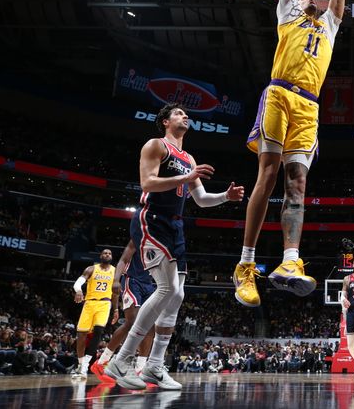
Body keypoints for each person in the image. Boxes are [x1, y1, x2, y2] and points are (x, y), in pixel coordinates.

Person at [234, 0, 351, 307]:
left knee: (297, 183)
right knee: (267, 175)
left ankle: (290, 260)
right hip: (280, 94)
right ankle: (245, 265)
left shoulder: (330, 26)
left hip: (310, 107)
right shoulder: (288, 12)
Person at [106, 103, 244, 390]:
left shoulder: (189, 158)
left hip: (175, 225)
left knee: (178, 294)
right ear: (166, 121)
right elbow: (147, 182)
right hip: (152, 219)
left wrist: (226, 197)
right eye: (179, 113)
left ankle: (154, 366)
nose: (185, 116)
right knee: (166, 289)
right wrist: (185, 177)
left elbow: (202, 199)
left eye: (186, 114)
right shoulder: (156, 145)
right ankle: (122, 359)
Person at [90, 239, 155, 383]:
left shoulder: (161, 242)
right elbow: (123, 260)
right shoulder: (139, 236)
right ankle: (102, 362)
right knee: (132, 322)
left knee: (151, 325)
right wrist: (116, 280)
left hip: (149, 285)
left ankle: (140, 369)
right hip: (132, 281)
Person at [71, 248, 117, 380]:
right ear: (100, 256)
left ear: (111, 257)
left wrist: (116, 310)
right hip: (89, 303)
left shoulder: (115, 271)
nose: (107, 254)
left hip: (104, 303)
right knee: (81, 335)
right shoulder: (91, 269)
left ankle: (86, 364)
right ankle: (80, 365)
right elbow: (79, 281)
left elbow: (115, 293)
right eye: (105, 253)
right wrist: (78, 290)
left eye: (109, 253)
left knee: (98, 331)